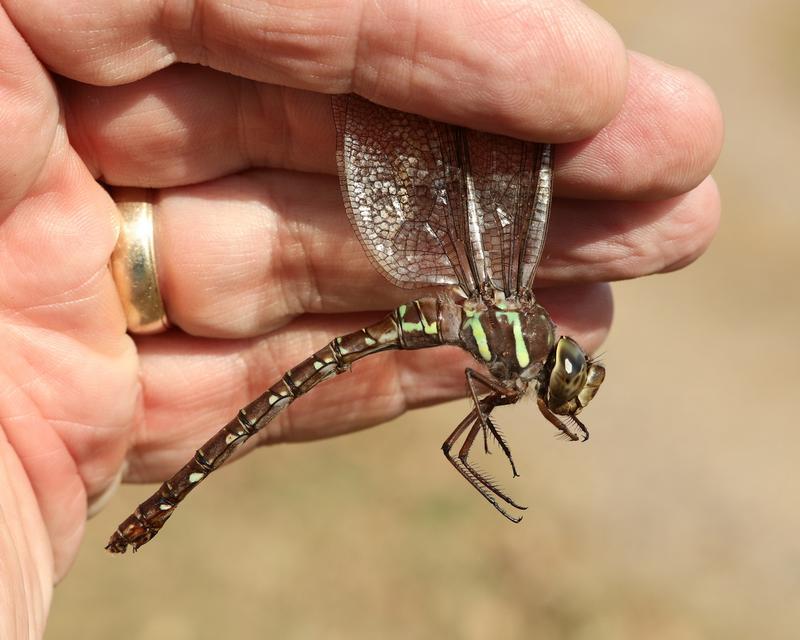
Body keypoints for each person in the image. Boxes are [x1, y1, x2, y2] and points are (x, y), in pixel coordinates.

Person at [0, 0, 722, 636]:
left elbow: (479, 413)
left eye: (569, 386)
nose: (565, 387)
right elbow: (464, 437)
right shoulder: (516, 337)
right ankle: (163, 503)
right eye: (568, 382)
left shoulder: (513, 347)